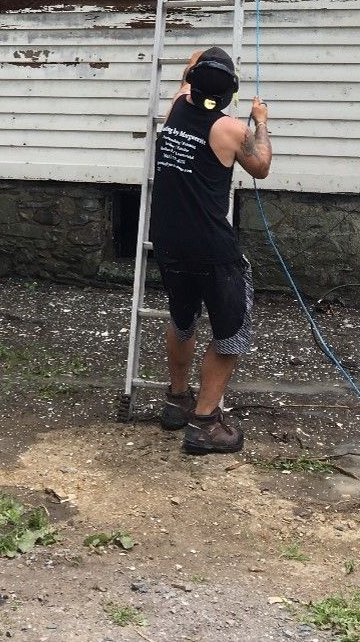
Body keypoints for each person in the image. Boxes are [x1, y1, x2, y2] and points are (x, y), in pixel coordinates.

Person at [149, 46, 272, 455]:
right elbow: (261, 166)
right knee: (230, 334)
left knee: (182, 320)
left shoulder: (176, 108)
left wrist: (201, 58)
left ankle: (176, 401)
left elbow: (189, 74)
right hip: (212, 249)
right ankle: (204, 423)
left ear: (193, 80)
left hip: (167, 240)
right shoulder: (232, 129)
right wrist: (261, 123)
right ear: (229, 93)